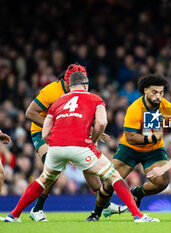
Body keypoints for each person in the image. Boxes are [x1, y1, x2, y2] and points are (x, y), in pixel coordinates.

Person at [4, 72, 158, 223]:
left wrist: (57, 144)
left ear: (69, 86)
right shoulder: (95, 98)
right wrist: (94, 139)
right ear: (86, 85)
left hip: (56, 146)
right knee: (113, 176)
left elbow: (45, 132)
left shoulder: (58, 101)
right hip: (80, 145)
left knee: (43, 179)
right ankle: (138, 216)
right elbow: (102, 123)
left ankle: (13, 215)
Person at [25, 64, 123, 221]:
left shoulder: (81, 93)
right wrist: (54, 128)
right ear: (66, 80)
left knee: (88, 163)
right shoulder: (51, 91)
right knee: (51, 172)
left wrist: (92, 131)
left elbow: (76, 117)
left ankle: (103, 204)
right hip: (41, 132)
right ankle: (37, 209)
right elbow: (30, 113)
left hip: (68, 133)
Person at [85, 73, 171, 221]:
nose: (158, 96)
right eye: (154, 92)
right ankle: (96, 213)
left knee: (162, 182)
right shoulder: (135, 108)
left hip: (153, 150)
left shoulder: (167, 106)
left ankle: (137, 193)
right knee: (109, 183)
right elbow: (131, 137)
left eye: (161, 92)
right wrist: (153, 137)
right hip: (130, 149)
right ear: (145, 90)